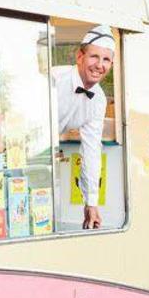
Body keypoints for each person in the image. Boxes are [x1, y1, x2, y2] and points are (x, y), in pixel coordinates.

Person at [52, 25, 114, 230]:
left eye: (106, 60)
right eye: (94, 57)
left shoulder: (98, 100)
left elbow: (91, 149)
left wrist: (91, 202)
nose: (99, 65)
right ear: (80, 56)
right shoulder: (53, 79)